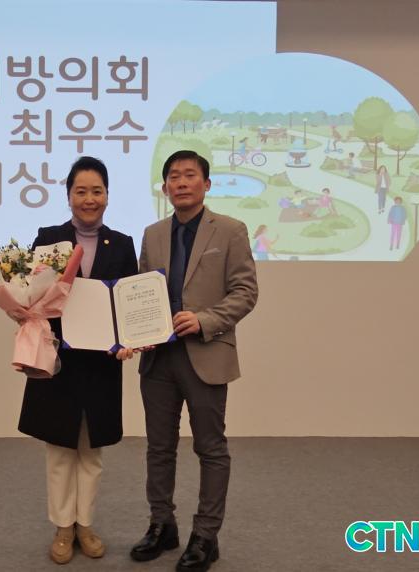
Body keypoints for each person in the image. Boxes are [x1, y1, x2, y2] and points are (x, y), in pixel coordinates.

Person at [129, 150, 258, 571]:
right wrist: (133, 332)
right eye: (173, 176)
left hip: (206, 353)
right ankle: (162, 524)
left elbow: (245, 292)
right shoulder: (152, 234)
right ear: (165, 187)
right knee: (159, 447)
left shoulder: (231, 230)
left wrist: (204, 320)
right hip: (158, 359)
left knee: (211, 448)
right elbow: (139, 293)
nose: (181, 182)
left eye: (189, 175)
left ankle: (205, 535)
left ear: (207, 183)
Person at [17, 156, 138, 565]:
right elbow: (32, 295)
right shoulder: (49, 239)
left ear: (107, 196)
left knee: (91, 452)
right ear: (68, 195)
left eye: (97, 191)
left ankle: (85, 524)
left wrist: (128, 340)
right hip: (59, 363)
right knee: (59, 450)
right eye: (81, 191)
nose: (89, 199)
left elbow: (128, 305)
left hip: (102, 364)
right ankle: (62, 527)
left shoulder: (122, 244)